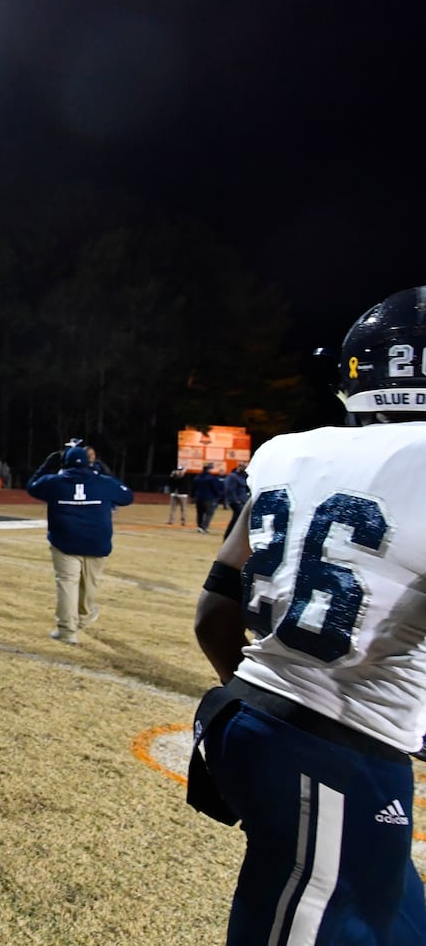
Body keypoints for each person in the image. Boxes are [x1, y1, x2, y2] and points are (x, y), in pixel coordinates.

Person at [190, 287, 426, 945]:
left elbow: (213, 613)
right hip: (337, 757)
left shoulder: (290, 452)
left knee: (398, 919)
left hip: (250, 718)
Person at [26, 445, 134, 645]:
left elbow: (32, 486)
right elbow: (127, 496)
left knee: (67, 583)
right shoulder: (102, 482)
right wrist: (100, 469)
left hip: (64, 540)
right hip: (96, 541)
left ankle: (68, 631)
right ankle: (83, 618)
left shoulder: (54, 482)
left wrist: (47, 465)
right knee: (90, 584)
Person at [192, 462, 225, 534]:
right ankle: (204, 527)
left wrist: (193, 496)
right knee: (209, 513)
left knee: (200, 513)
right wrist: (220, 495)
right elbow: (215, 488)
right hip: (209, 498)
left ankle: (199, 526)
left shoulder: (197, 477)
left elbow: (193, 488)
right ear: (210, 469)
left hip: (199, 498)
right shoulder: (211, 478)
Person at [220, 462, 250, 540]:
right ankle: (229, 537)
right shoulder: (232, 476)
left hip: (243, 501)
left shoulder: (243, 477)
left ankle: (229, 537)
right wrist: (235, 501)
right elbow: (229, 490)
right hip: (237, 502)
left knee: (236, 520)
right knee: (239, 520)